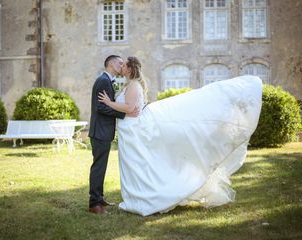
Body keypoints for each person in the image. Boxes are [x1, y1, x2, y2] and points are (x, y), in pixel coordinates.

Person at [98, 56, 263, 216]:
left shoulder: (133, 85)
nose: (122, 67)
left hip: (133, 131)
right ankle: (137, 197)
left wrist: (108, 102)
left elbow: (129, 108)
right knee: (133, 166)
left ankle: (146, 198)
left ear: (130, 69)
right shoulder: (130, 84)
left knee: (138, 165)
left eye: (124, 65)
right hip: (128, 131)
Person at [88, 55, 127, 214]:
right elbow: (100, 107)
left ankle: (99, 198)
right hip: (100, 132)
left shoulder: (106, 80)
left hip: (103, 131)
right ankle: (94, 204)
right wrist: (123, 114)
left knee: (101, 166)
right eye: (119, 62)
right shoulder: (103, 80)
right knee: (98, 167)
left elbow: (105, 105)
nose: (122, 65)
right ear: (110, 64)